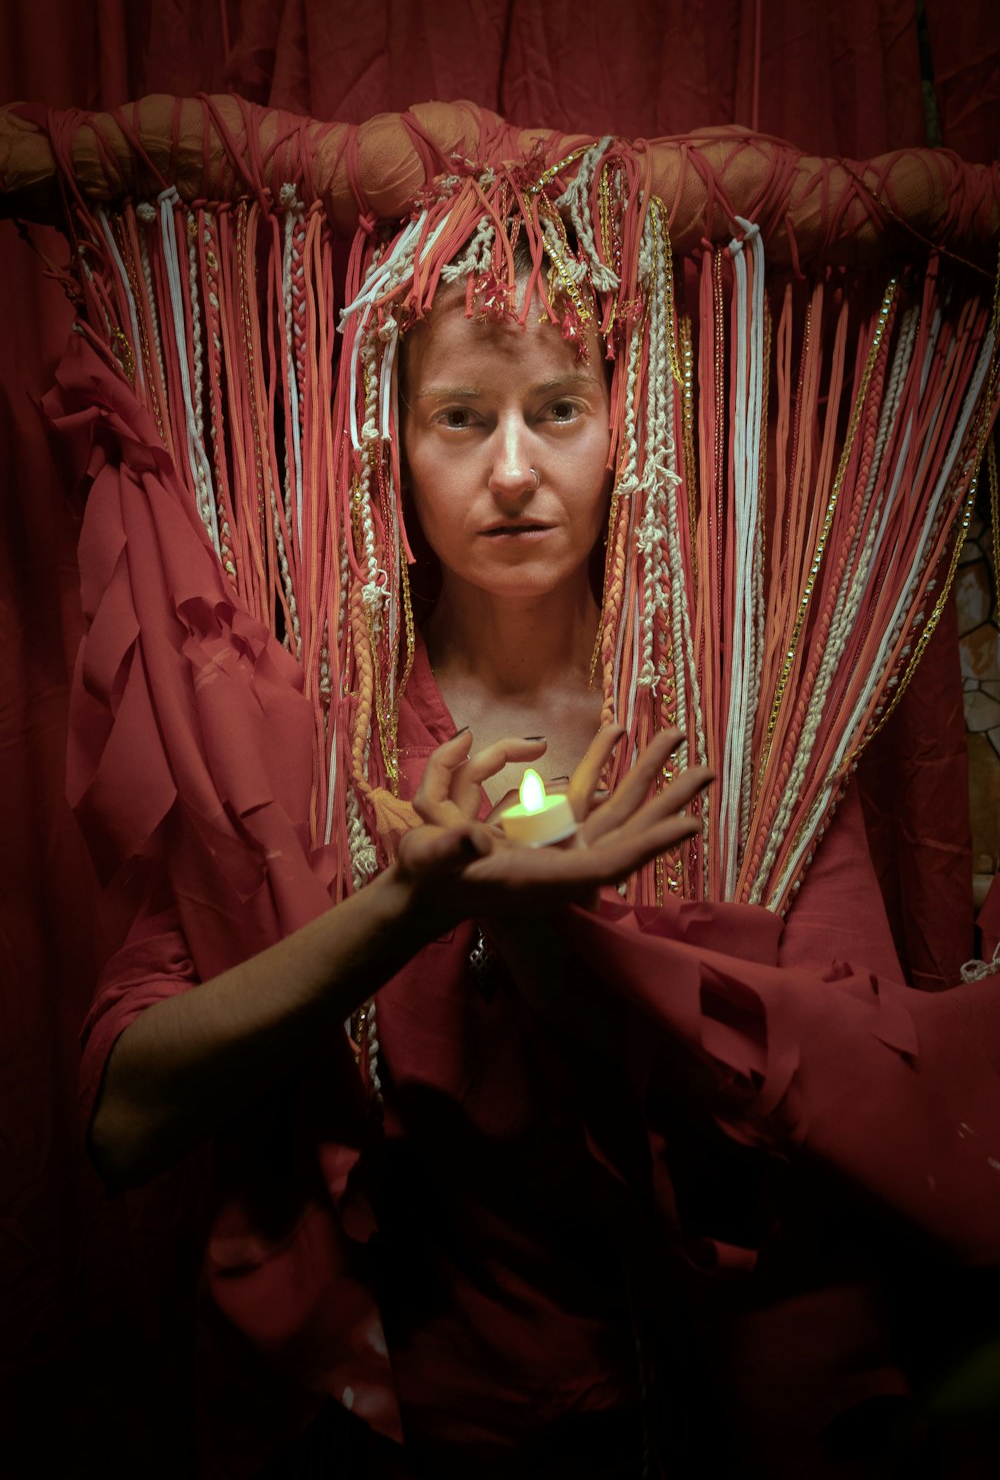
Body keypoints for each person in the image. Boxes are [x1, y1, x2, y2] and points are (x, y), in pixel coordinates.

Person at [77, 153, 1000, 1479]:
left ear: (627, 430)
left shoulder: (737, 756)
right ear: (388, 447)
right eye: (461, 418)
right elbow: (122, 1121)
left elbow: (825, 1148)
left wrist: (571, 953)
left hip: (663, 1414)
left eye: (558, 407)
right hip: (384, 1430)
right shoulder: (307, 733)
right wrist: (412, 907)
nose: (513, 471)